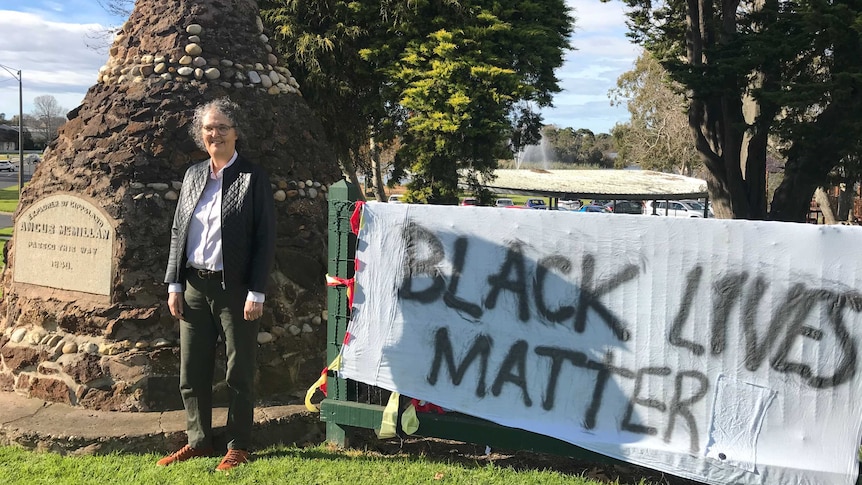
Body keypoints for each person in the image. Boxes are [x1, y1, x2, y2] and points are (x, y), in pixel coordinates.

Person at [159, 97, 275, 472]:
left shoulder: (252, 178)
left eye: (222, 127)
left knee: (238, 372)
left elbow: (264, 239)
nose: (215, 134)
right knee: (191, 373)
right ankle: (198, 442)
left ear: (236, 132)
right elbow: (179, 230)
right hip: (194, 286)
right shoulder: (194, 175)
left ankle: (238, 444)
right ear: (201, 134)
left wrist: (257, 291)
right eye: (209, 128)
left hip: (236, 290)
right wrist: (174, 284)